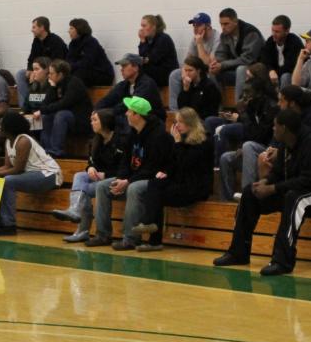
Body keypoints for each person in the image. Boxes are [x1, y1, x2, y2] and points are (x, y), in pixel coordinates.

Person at [212, 107, 311, 274]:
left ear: (284, 128)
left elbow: (310, 181)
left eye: (275, 125)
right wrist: (265, 181)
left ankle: (283, 261)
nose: (273, 128)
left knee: (294, 198)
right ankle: (238, 252)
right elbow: (278, 173)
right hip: (298, 190)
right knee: (249, 193)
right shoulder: (286, 144)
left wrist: (273, 188)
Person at [86, 97, 173, 250]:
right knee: (102, 186)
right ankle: (102, 234)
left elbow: (151, 168)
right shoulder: (132, 134)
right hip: (133, 178)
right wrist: (121, 179)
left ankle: (131, 238)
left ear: (137, 115)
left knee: (134, 188)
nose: (126, 114)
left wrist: (128, 181)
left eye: (129, 111)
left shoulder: (159, 136)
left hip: (153, 179)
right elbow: (125, 162)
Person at [131, 107, 214, 251]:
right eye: (176, 122)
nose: (177, 125)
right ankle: (149, 227)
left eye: (180, 122)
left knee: (157, 196)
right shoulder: (180, 138)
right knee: (155, 184)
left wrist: (177, 143)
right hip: (180, 182)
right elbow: (172, 162)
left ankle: (153, 237)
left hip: (195, 187)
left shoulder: (203, 140)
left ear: (190, 122)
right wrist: (166, 172)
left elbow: (186, 163)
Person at [0, 110, 64, 235]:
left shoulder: (23, 141)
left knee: (8, 181)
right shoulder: (9, 141)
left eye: (2, 125)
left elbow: (17, 170)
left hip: (50, 175)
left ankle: (9, 225)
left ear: (10, 127)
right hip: (33, 174)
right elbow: (7, 166)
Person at [52, 108, 128, 243]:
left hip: (117, 179)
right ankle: (75, 211)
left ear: (105, 122)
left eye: (94, 120)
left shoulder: (122, 141)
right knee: (79, 176)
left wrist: (105, 174)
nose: (91, 123)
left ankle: (82, 229)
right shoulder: (95, 140)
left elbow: (125, 168)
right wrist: (91, 168)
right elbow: (91, 162)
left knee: (84, 191)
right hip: (99, 178)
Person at [216, 66, 278, 200]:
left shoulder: (271, 107)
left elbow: (260, 135)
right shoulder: (251, 107)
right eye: (244, 92)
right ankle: (226, 202)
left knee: (248, 146)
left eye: (248, 93)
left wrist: (243, 115)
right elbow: (247, 132)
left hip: (267, 150)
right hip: (251, 150)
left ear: (259, 93)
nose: (244, 96)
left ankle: (247, 195)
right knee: (226, 158)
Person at [38, 58, 92, 157]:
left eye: (51, 73)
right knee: (47, 117)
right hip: (67, 118)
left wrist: (44, 110)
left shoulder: (74, 83)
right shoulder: (56, 84)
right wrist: (52, 88)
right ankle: (45, 150)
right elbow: (45, 104)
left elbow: (64, 104)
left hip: (80, 120)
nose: (49, 76)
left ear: (60, 74)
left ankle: (56, 150)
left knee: (61, 114)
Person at [168, 12, 221, 109]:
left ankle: (217, 108)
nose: (195, 29)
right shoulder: (195, 38)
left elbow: (207, 64)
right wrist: (184, 71)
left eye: (199, 25)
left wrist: (199, 44)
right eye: (194, 26)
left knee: (211, 73)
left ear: (208, 27)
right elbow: (188, 60)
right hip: (197, 69)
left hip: (211, 70)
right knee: (174, 75)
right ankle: (174, 111)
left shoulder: (217, 38)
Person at [97, 54, 165, 129]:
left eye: (124, 66)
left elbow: (131, 106)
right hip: (134, 123)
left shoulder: (147, 84)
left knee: (117, 120)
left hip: (153, 125)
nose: (121, 69)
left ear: (135, 67)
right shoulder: (124, 84)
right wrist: (97, 111)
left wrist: (107, 113)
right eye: (121, 66)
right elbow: (108, 99)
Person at [210, 8, 265, 99]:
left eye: (226, 24)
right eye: (221, 24)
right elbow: (220, 54)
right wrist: (216, 64)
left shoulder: (250, 32)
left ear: (235, 22)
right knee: (212, 70)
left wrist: (222, 65)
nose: (223, 27)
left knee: (241, 69)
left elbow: (247, 59)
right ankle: (218, 103)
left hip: (256, 67)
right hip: (236, 65)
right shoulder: (225, 35)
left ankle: (239, 104)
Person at [15, 17, 68, 107]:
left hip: (52, 70)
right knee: (21, 74)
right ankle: (25, 106)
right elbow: (31, 58)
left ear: (42, 27)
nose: (31, 30)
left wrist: (39, 71)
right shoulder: (36, 41)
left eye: (34, 27)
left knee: (39, 74)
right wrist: (30, 70)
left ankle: (40, 104)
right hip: (40, 69)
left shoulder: (56, 41)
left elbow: (57, 62)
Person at [67, 18, 115, 86]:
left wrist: (72, 66)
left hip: (102, 73)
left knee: (78, 75)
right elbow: (69, 60)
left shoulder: (90, 42)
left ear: (79, 29)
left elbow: (87, 63)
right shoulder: (72, 44)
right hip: (86, 72)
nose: (69, 31)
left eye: (71, 28)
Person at [138, 14, 179, 91]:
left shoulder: (163, 38)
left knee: (139, 70)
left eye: (144, 26)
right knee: (134, 68)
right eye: (141, 26)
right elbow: (142, 57)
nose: (142, 29)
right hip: (155, 71)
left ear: (153, 26)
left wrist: (142, 42)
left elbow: (151, 59)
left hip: (166, 73)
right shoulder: (147, 39)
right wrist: (142, 41)